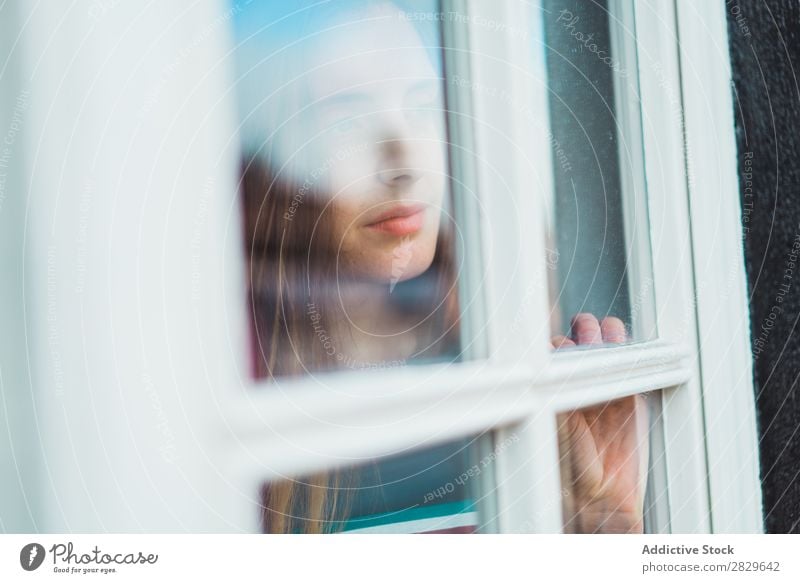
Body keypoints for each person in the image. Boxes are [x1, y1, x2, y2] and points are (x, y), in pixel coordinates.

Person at [235, 0, 647, 534]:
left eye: (425, 107)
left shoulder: (505, 336)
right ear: (268, 159)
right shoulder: (234, 379)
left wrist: (604, 525)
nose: (403, 163)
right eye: (348, 119)